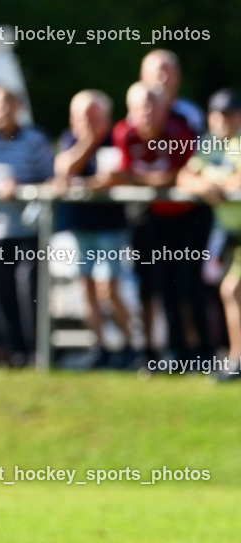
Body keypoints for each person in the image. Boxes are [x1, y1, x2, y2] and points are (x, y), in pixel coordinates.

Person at [115, 81, 205, 363]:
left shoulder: (179, 131)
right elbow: (126, 172)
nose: (147, 112)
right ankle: (157, 351)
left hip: (187, 219)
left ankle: (197, 351)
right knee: (153, 285)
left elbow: (181, 173)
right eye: (141, 106)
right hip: (150, 218)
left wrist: (144, 180)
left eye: (153, 105)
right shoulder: (125, 133)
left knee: (187, 286)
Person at [53, 90, 134, 369]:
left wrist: (89, 185)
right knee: (85, 287)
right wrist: (88, 140)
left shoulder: (117, 138)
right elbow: (64, 169)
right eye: (81, 116)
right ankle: (99, 347)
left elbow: (117, 177)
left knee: (107, 289)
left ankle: (131, 345)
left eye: (92, 116)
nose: (86, 121)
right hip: (80, 225)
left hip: (110, 226)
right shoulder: (71, 139)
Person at [0, 85, 53, 366]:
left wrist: (21, 188)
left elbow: (50, 180)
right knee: (2, 293)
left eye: (7, 104)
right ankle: (15, 352)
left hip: (29, 232)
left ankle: (37, 351)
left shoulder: (35, 140)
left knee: (28, 292)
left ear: (18, 107)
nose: (2, 111)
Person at [177, 89, 241, 380]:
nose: (223, 121)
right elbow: (185, 176)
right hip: (229, 233)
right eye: (218, 115)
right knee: (228, 292)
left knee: (232, 291)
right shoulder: (210, 144)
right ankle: (235, 358)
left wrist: (213, 183)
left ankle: (236, 359)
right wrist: (204, 186)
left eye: (229, 115)